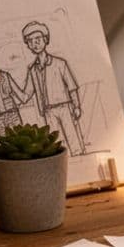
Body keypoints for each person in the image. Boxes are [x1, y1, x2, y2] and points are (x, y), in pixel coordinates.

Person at [20, 21, 85, 155]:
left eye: (38, 39)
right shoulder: (32, 70)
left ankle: (80, 158)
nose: (35, 43)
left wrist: (77, 106)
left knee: (72, 137)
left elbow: (72, 87)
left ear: (45, 40)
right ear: (28, 45)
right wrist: (9, 85)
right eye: (30, 41)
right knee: (56, 143)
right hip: (47, 110)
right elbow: (26, 95)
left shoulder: (60, 63)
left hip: (64, 106)